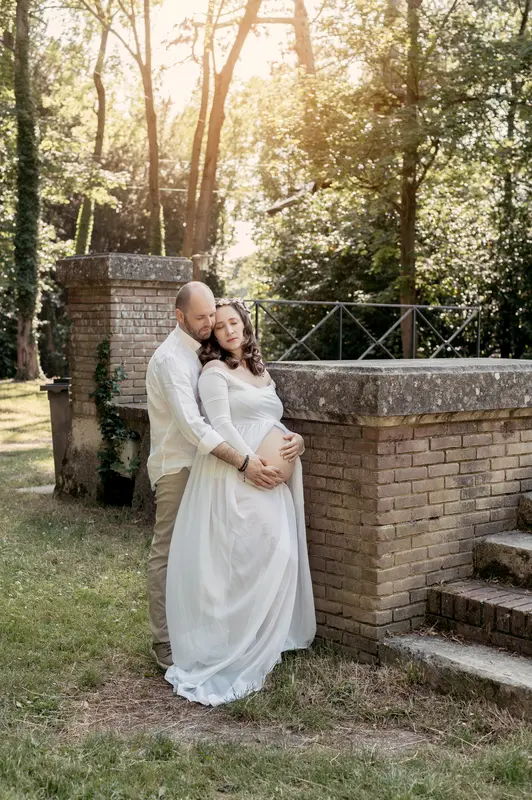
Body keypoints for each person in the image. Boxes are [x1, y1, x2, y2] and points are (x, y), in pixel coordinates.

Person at [164, 299, 316, 706]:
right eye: (220, 327)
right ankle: (233, 644)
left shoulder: (260, 371)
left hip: (269, 481)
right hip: (235, 475)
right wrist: (252, 463)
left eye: (235, 323)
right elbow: (223, 426)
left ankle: (264, 638)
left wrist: (295, 439)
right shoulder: (214, 373)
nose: (230, 331)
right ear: (212, 335)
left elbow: (272, 419)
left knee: (279, 556)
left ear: (246, 326)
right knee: (243, 561)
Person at [146, 282, 287, 670]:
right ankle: (164, 642)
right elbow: (195, 427)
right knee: (169, 552)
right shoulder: (171, 360)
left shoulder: (206, 352)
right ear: (179, 317)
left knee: (209, 554)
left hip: (214, 466)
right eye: (201, 318)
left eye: (213, 315)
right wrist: (244, 462)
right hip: (180, 465)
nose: (210, 323)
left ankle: (209, 629)